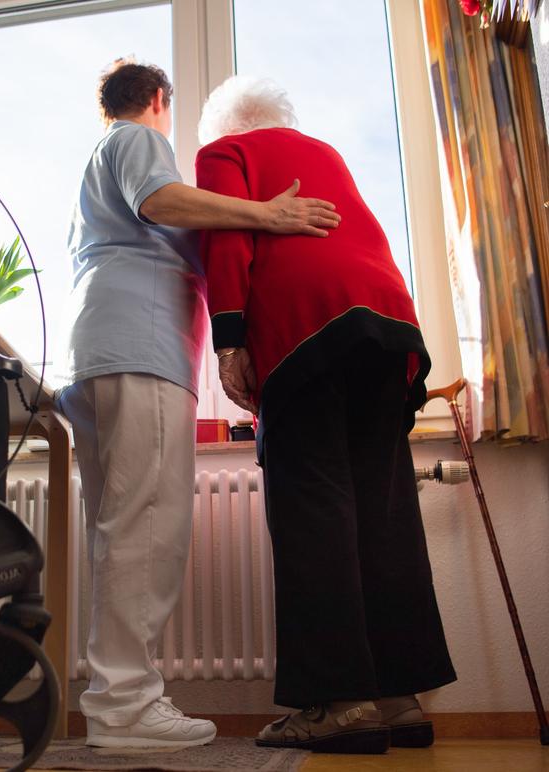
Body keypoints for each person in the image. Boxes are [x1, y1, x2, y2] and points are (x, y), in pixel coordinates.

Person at [55, 59, 340, 750]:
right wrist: (267, 213)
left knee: (120, 530)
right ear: (159, 98)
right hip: (139, 348)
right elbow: (163, 202)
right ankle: (125, 708)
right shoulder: (137, 139)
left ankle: (116, 701)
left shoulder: (97, 165)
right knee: (148, 527)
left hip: (98, 350)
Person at [194, 75, 456, 754]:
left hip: (306, 327)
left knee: (313, 509)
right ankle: (399, 698)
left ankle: (339, 706)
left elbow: (227, 240)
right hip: (387, 325)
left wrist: (229, 342)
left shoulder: (225, 154)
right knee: (382, 508)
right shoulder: (324, 152)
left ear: (223, 125)